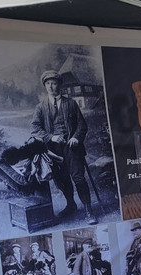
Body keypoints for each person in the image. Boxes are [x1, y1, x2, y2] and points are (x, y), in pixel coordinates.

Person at [30, 70, 98, 225]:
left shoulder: (71, 103)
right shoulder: (41, 107)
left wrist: (75, 137)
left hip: (72, 148)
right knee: (61, 180)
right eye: (48, 84)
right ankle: (71, 205)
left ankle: (88, 210)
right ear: (45, 86)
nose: (51, 87)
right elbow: (35, 128)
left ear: (59, 85)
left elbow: (82, 124)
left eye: (54, 83)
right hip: (53, 151)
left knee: (79, 178)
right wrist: (51, 137)